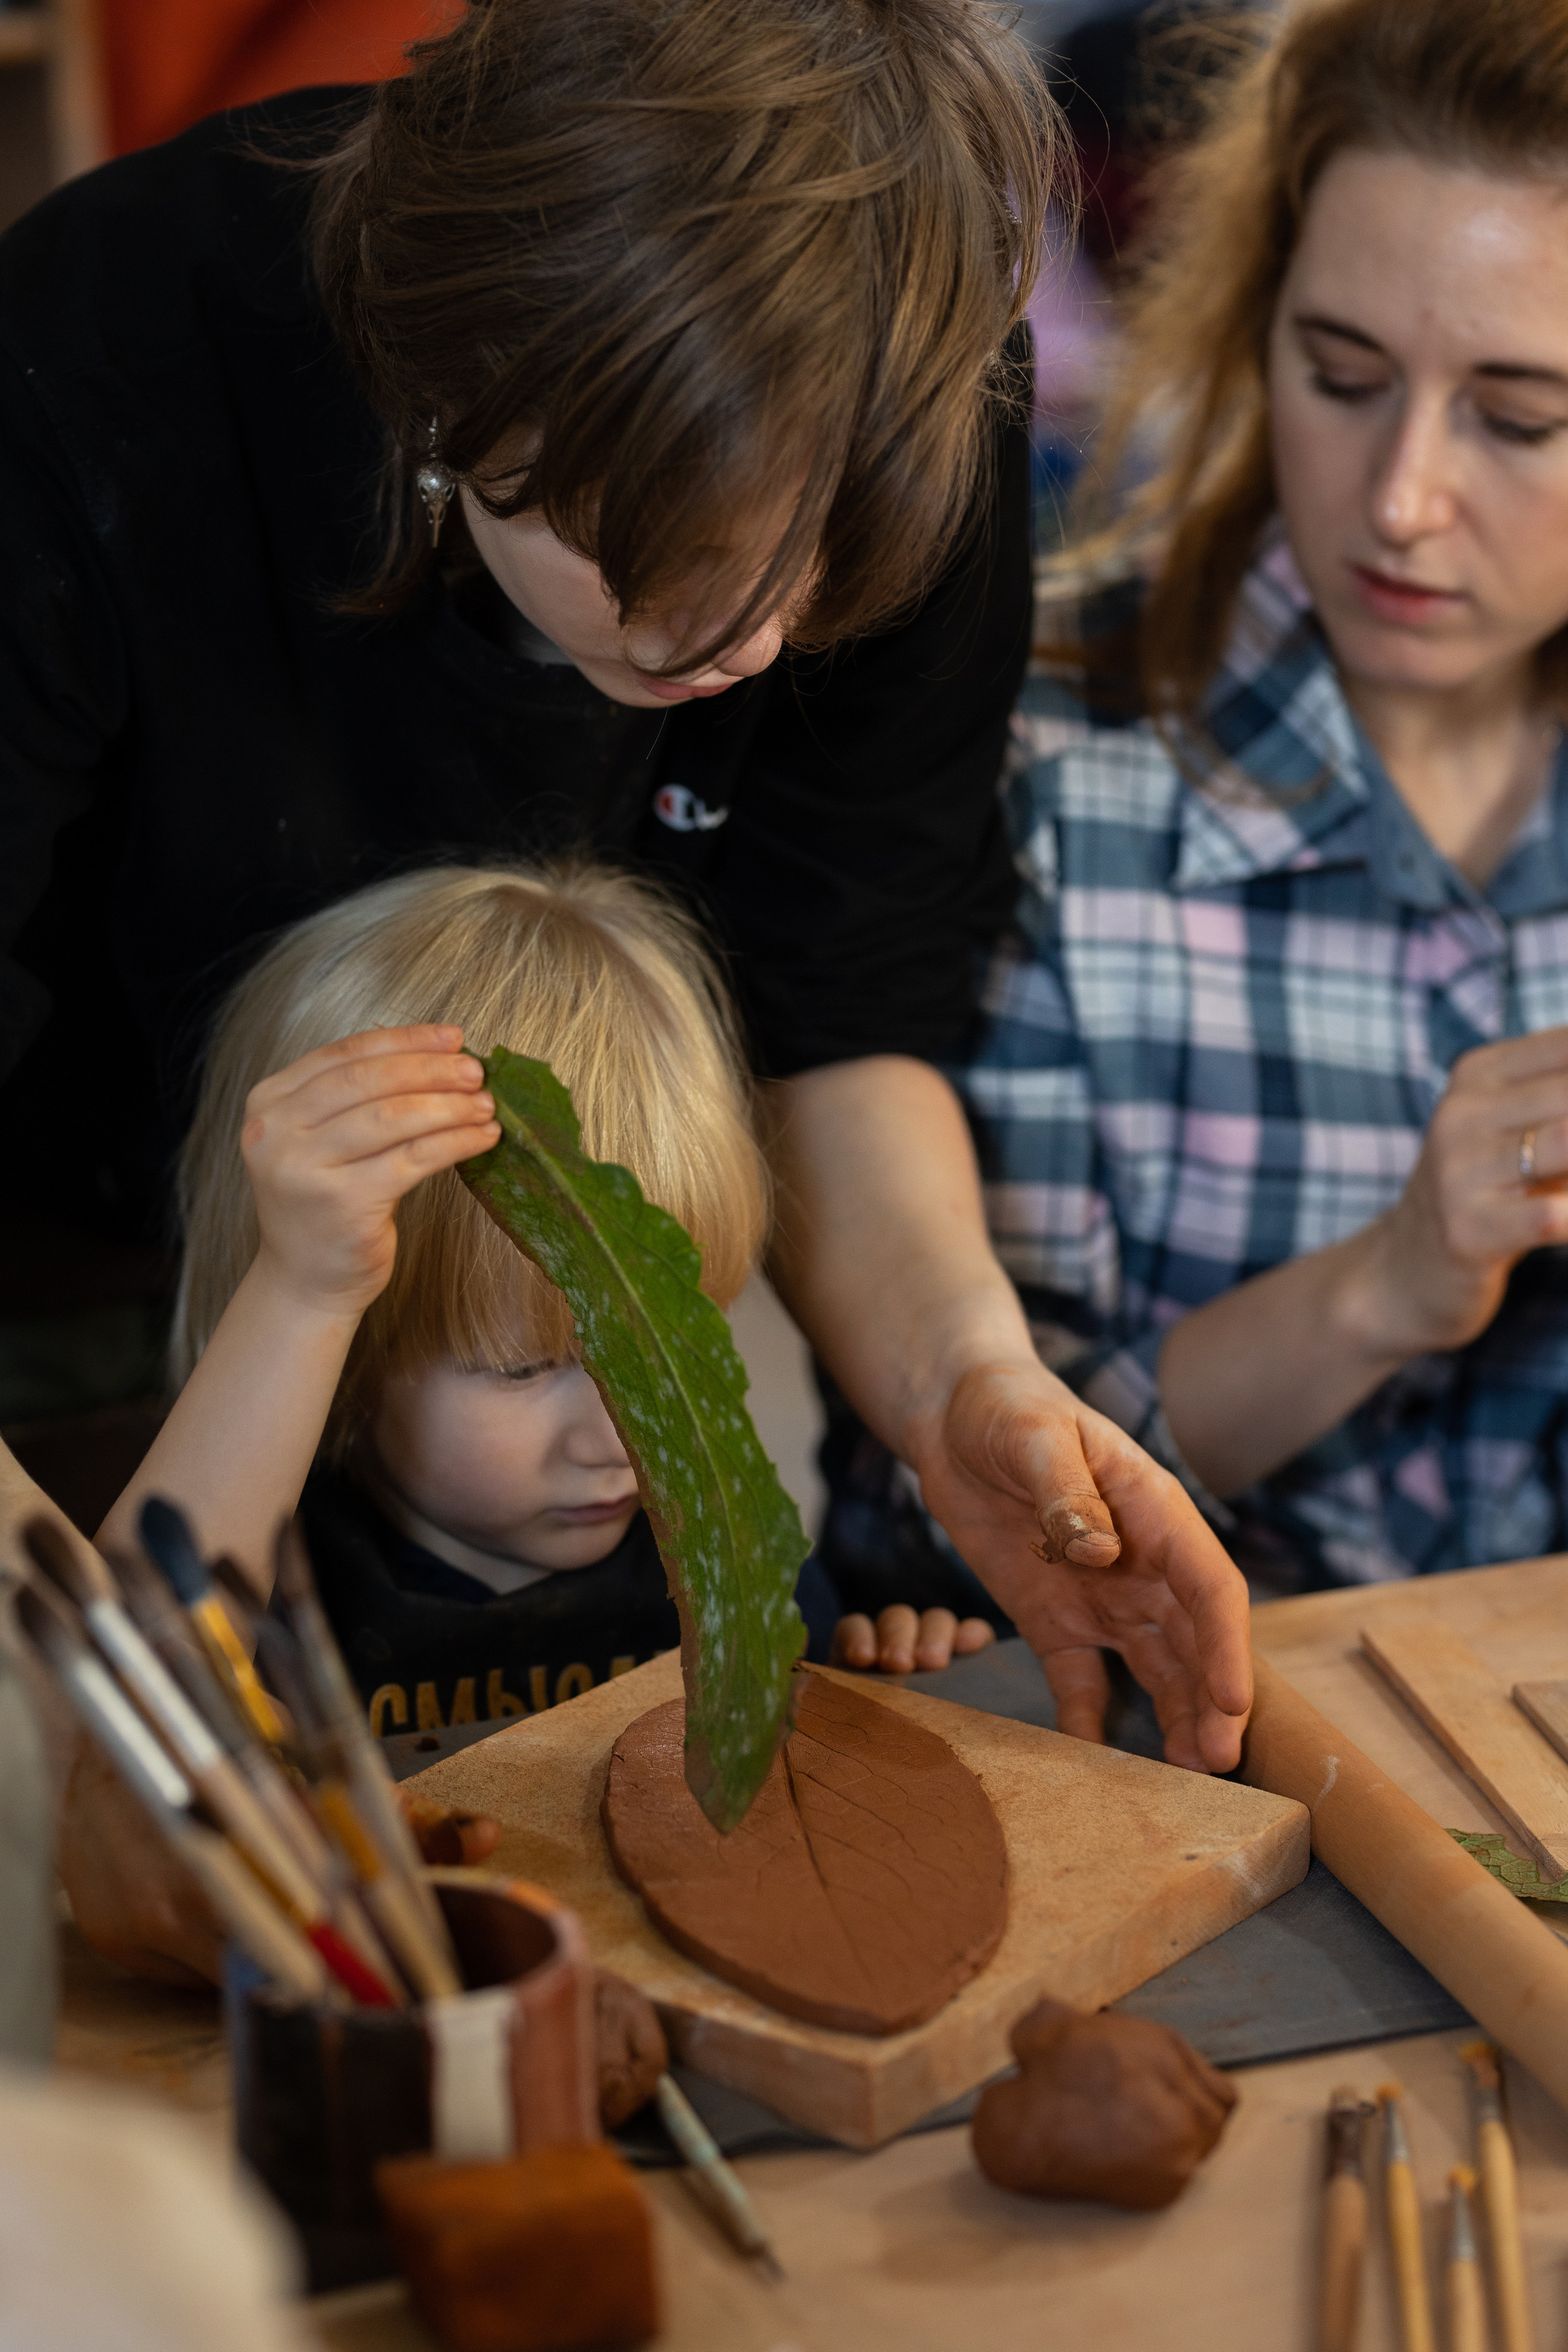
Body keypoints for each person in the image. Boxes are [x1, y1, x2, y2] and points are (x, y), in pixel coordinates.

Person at [4, 0, 1253, 1979]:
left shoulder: (912, 374)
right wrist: (82, 1720)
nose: (751, 640)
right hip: (76, 1277)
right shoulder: (99, 355)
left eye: (822, 563)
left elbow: (847, 995)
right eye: (661, 555)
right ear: (451, 395)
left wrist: (963, 1386)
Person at [937, 0, 1568, 1594]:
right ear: (1254, 324)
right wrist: (1384, 1287)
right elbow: (933, 1527)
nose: (1404, 499)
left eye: (1519, 421)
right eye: (1342, 375)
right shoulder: (1054, 771)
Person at [99, 860, 850, 1719]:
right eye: (524, 1368)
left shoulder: (724, 1549)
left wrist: (888, 1662)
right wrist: (302, 1296)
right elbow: (129, 1697)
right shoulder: (279, 1567)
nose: (623, 1438)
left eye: (667, 1344)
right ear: (344, 1359)